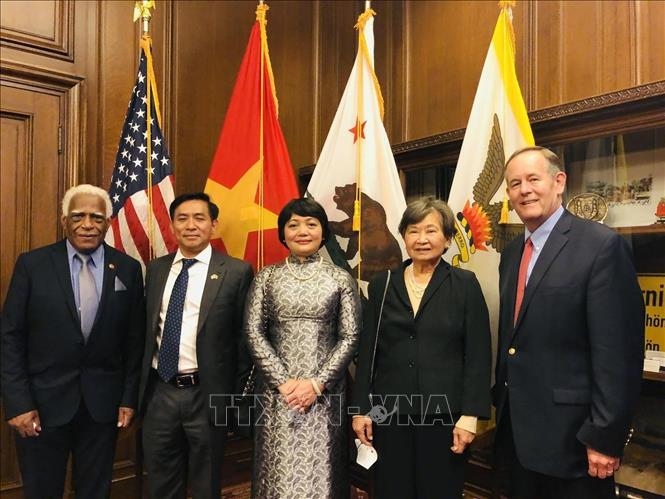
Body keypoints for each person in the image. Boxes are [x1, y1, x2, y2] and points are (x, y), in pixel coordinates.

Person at [493, 146, 645, 499]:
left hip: (575, 443)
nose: (524, 190)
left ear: (559, 181)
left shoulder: (600, 246)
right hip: (517, 437)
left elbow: (618, 354)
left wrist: (605, 437)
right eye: (515, 184)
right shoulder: (511, 253)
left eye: (533, 179)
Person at [1, 184, 144, 499]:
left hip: (102, 407)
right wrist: (19, 404)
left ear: (108, 222)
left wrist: (128, 399)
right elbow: (10, 338)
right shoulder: (32, 265)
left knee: (95, 491)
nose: (88, 225)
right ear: (64, 220)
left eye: (96, 217)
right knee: (42, 491)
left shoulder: (128, 269)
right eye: (78, 216)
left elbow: (135, 342)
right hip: (40, 407)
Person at [352, 197, 492, 499]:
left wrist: (470, 416)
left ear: (447, 238)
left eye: (431, 231)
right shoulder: (383, 283)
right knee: (392, 490)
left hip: (445, 415)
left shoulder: (465, 284)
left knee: (439, 490)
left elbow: (478, 354)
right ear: (403, 236)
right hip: (389, 414)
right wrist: (361, 409)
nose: (422, 239)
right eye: (414, 231)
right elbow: (368, 353)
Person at [138, 192, 253, 499]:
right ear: (173, 226)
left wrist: (234, 399)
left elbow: (244, 342)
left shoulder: (236, 271)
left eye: (199, 218)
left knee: (206, 481)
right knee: (160, 479)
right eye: (182, 218)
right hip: (160, 391)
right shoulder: (157, 269)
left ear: (213, 226)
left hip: (208, 393)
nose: (191, 225)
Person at [244, 197, 361, 499]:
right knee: (276, 471)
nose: (302, 231)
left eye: (311, 224)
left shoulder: (340, 278)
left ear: (324, 232)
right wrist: (284, 383)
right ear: (283, 234)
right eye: (293, 225)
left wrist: (317, 383)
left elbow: (350, 336)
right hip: (275, 394)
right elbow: (253, 332)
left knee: (322, 470)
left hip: (325, 393)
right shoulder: (266, 277)